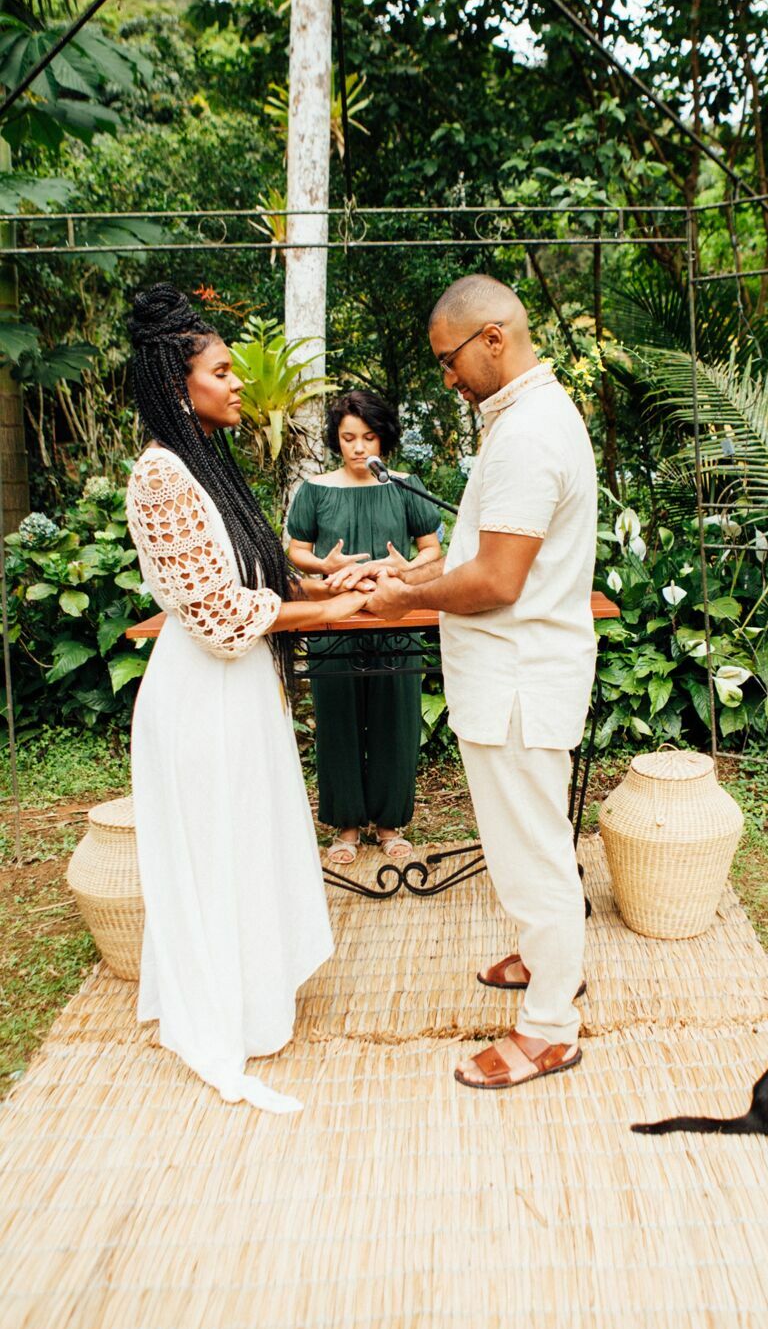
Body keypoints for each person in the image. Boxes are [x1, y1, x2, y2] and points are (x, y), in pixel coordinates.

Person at [125, 283, 369, 1114]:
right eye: (221, 370)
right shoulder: (160, 477)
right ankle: (225, 1011)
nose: (236, 383)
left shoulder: (202, 463)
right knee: (217, 849)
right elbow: (222, 618)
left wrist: (329, 574)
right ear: (176, 380)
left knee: (247, 844)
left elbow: (248, 570)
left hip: (236, 693)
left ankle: (258, 1002)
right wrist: (324, 613)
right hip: (201, 697)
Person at [366, 275, 598, 1090]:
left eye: (449, 360)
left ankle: (549, 1027)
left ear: (493, 337)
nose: (447, 379)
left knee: (532, 855)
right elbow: (490, 553)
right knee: (524, 846)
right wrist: (431, 568)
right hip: (514, 675)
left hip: (517, 681)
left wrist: (407, 595)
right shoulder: (527, 417)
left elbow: (498, 581)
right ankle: (548, 962)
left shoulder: (530, 432)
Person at [286, 391, 442, 864]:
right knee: (337, 719)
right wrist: (323, 563)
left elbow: (433, 552)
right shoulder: (315, 489)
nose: (358, 448)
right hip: (332, 618)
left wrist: (402, 568)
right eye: (348, 438)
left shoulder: (405, 485)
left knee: (396, 716)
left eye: (368, 437)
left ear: (384, 438)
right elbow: (295, 549)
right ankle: (347, 827)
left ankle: (390, 823)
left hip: (397, 616)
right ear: (337, 440)